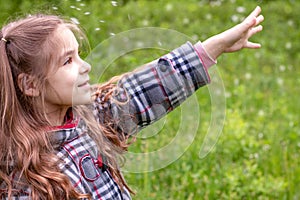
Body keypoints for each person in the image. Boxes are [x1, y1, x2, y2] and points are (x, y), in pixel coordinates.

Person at [0, 5, 264, 200]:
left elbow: (143, 90)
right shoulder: (23, 180)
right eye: (68, 61)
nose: (86, 66)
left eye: (79, 55)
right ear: (30, 85)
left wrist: (210, 48)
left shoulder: (88, 117)